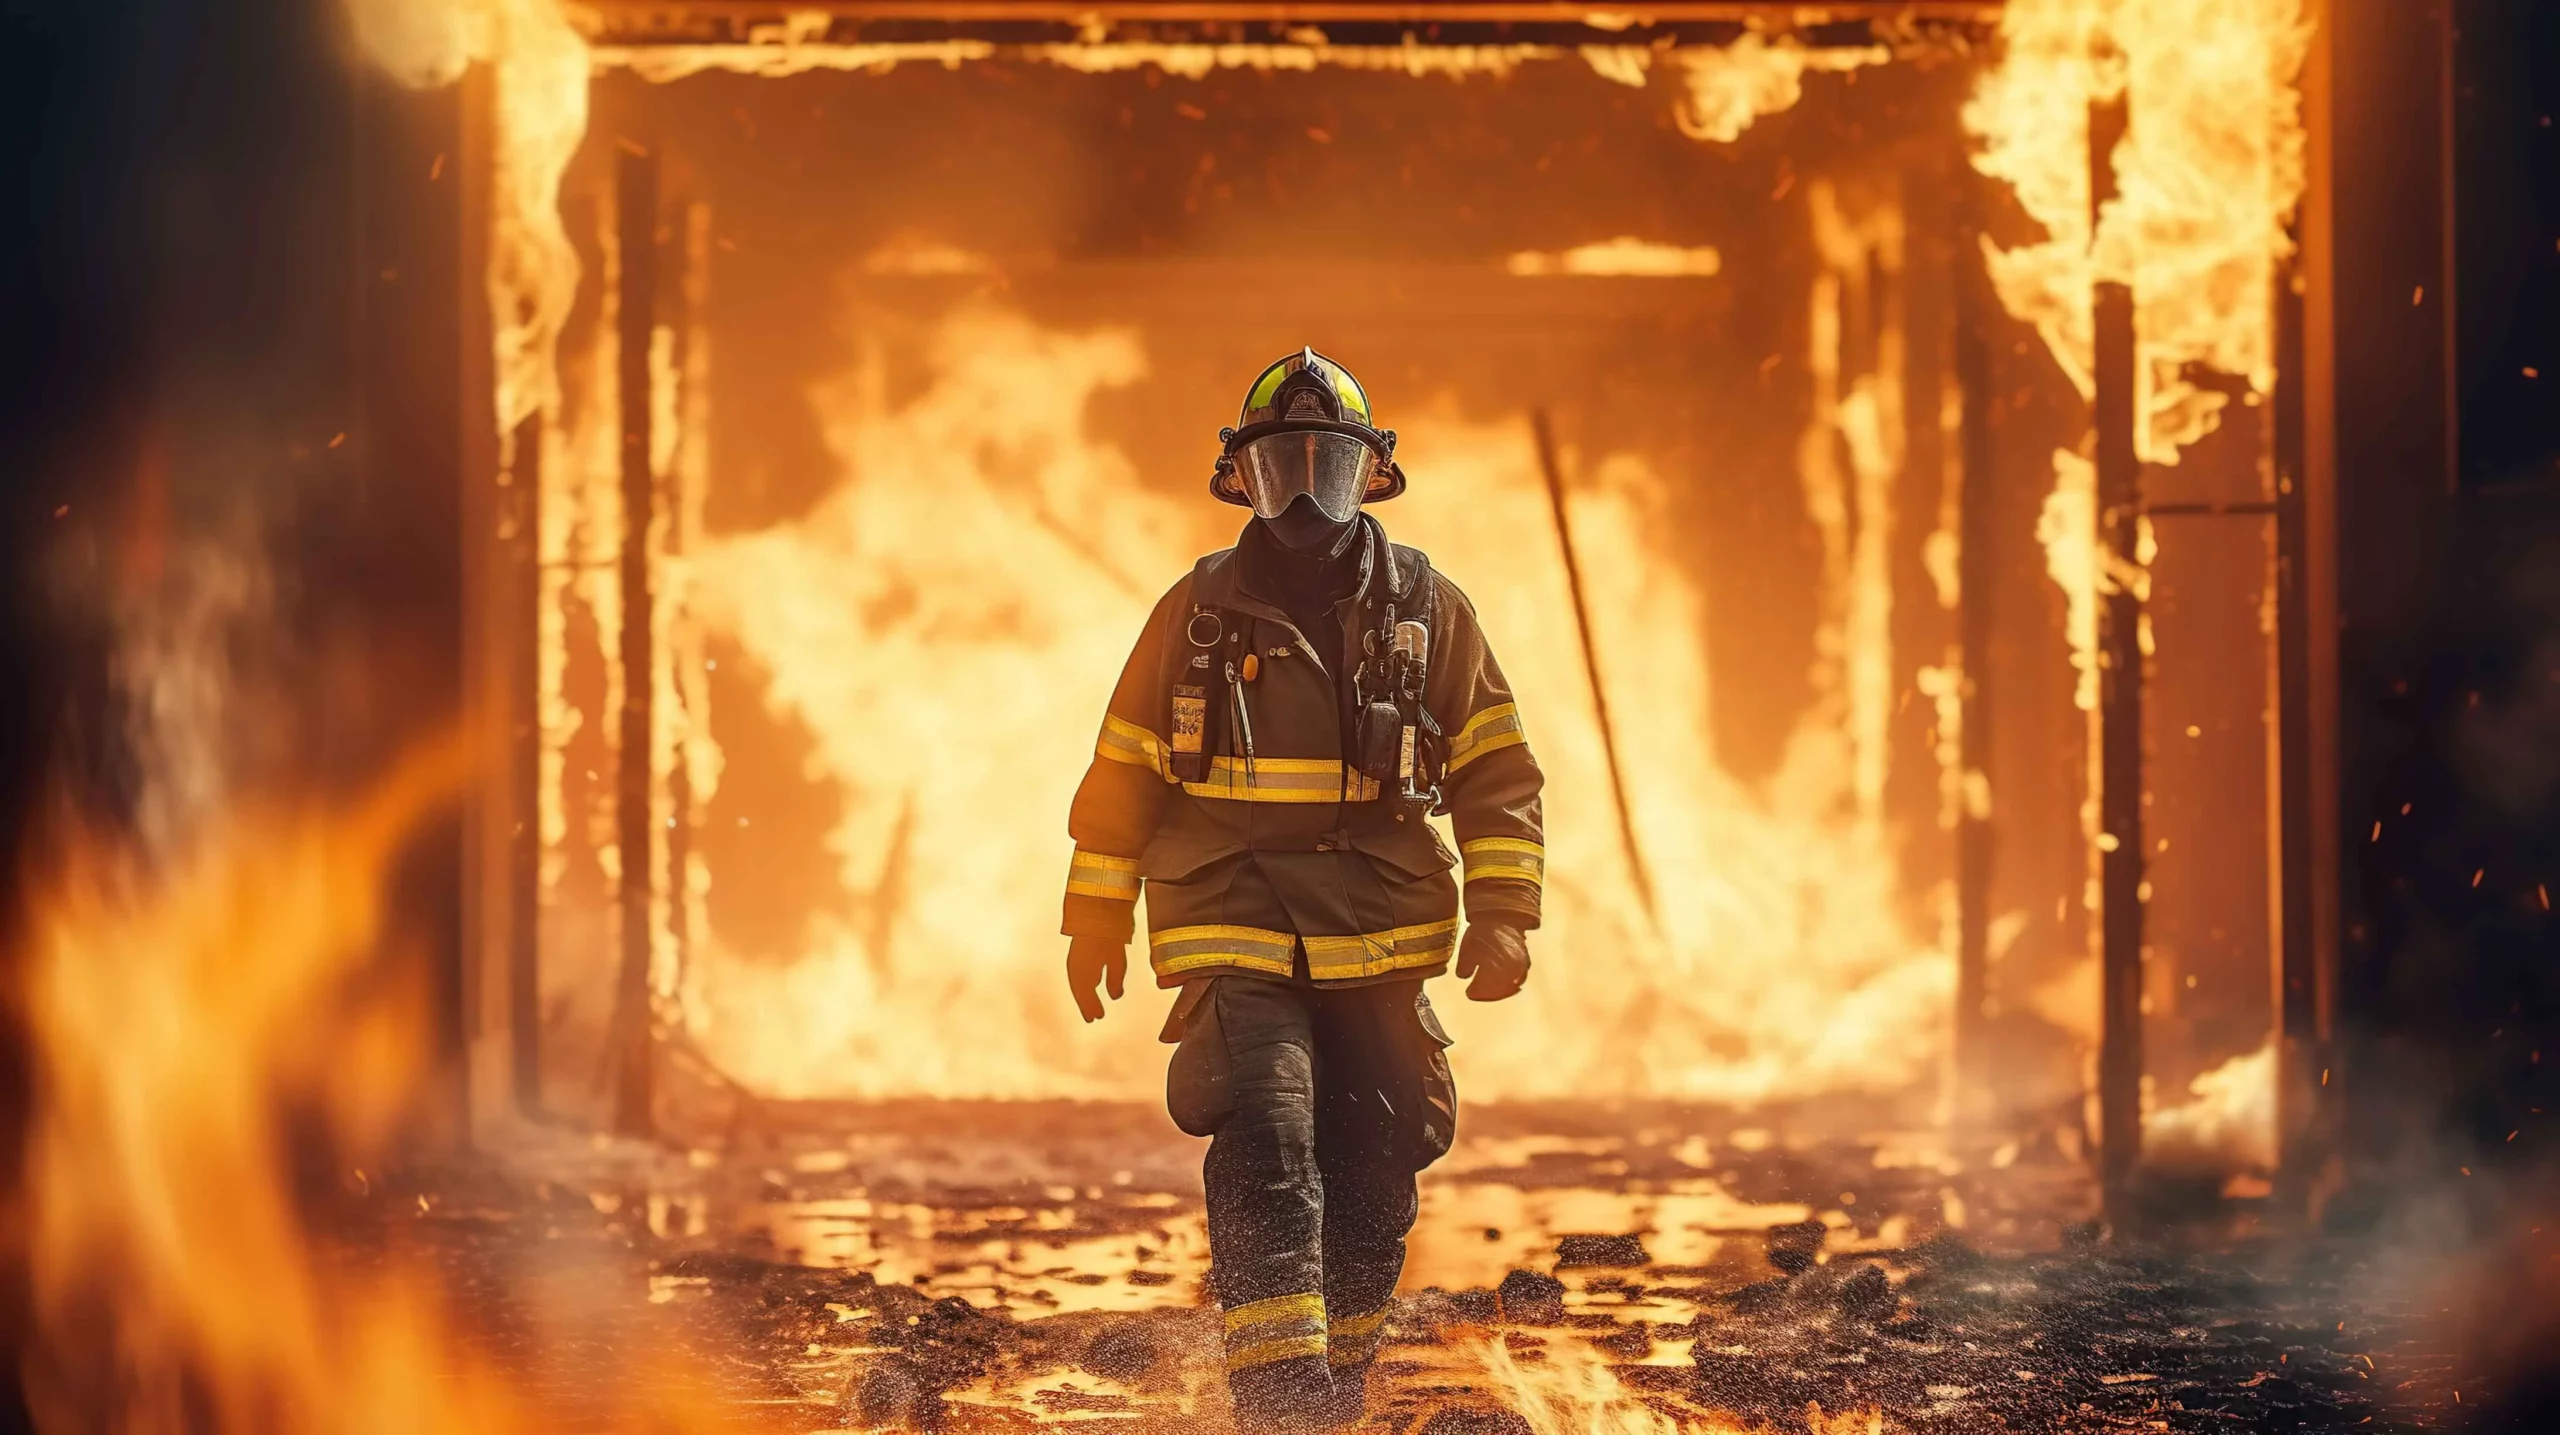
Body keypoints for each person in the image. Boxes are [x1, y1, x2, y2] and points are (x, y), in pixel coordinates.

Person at [1057, 348, 1547, 1431]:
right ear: (1244, 476)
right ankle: (1279, 1400)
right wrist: (1094, 909)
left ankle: (1337, 1379)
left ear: (1370, 474)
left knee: (1382, 1149)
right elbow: (1124, 768)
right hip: (1230, 912)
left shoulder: (1429, 609)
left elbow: (1496, 769)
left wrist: (1508, 913)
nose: (1307, 487)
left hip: (1379, 924)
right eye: (1286, 463)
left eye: (1329, 461)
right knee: (1269, 1137)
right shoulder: (1194, 612)